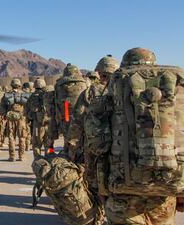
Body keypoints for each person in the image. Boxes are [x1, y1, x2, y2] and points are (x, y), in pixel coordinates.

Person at [101, 48, 184, 224]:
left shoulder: (110, 98)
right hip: (165, 193)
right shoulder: (175, 96)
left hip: (123, 191)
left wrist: (99, 187)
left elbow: (96, 144)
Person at [65, 54, 120, 224]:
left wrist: (72, 147)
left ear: (100, 73)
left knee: (95, 185)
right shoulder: (126, 90)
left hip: (95, 150)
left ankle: (98, 217)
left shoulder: (90, 92)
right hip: (122, 150)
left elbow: (77, 122)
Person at [54, 64, 88, 146]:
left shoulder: (58, 84)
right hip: (80, 113)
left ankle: (68, 152)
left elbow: (56, 99)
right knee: (81, 136)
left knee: (67, 136)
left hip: (65, 113)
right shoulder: (84, 82)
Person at [1, 79, 30, 161]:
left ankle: (12, 156)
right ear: (19, 85)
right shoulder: (23, 94)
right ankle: (21, 156)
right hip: (21, 118)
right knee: (22, 137)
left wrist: (4, 116)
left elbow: (2, 106)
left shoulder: (7, 94)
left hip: (10, 118)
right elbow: (28, 106)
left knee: (11, 137)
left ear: (12, 85)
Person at [25, 79, 48, 157]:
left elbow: (27, 111)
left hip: (37, 125)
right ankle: (49, 158)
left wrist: (28, 119)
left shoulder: (32, 96)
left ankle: (37, 159)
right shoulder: (48, 95)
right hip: (48, 124)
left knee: (36, 144)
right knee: (49, 144)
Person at [22, 82, 34, 152]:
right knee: (33, 131)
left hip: (25, 114)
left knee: (26, 130)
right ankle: (32, 144)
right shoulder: (35, 94)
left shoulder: (23, 94)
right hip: (33, 114)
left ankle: (27, 146)